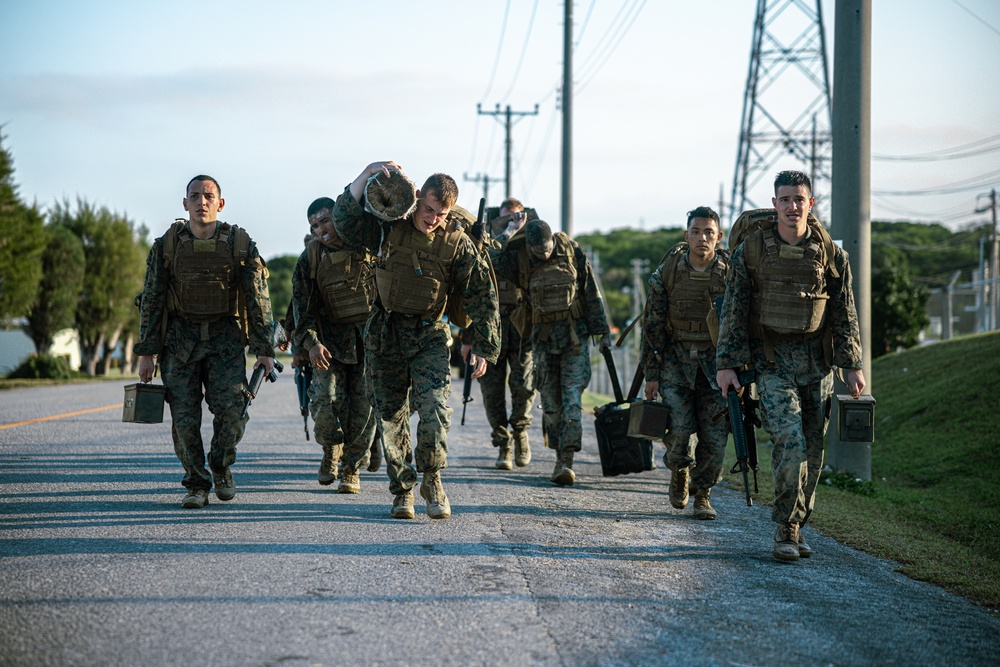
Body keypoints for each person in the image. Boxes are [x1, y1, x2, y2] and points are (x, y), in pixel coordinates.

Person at [332, 161, 500, 520]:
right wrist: (364, 173)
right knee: (390, 417)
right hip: (385, 332)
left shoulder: (456, 244)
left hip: (430, 335)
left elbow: (483, 294)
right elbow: (345, 223)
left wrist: (485, 345)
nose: (433, 218)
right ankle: (402, 491)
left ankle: (433, 479)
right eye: (428, 209)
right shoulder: (388, 228)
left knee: (436, 410)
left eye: (442, 214)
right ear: (418, 198)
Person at [716, 170, 865, 562]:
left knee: (813, 450)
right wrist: (727, 365)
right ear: (774, 204)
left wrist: (852, 364)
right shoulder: (750, 251)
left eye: (799, 199)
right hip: (772, 362)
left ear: (810, 204)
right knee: (790, 440)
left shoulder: (831, 252)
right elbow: (733, 309)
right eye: (785, 199)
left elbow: (844, 312)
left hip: (817, 364)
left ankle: (798, 521)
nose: (792, 206)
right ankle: (785, 525)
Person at [135, 175, 276, 509]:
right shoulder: (167, 245)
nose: (201, 202)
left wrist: (264, 350)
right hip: (179, 343)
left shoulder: (239, 244)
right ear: (185, 204)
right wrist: (147, 353)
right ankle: (197, 484)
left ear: (220, 203)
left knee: (233, 413)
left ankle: (221, 465)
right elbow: (152, 300)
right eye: (194, 196)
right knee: (184, 420)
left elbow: (257, 298)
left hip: (225, 341)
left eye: (208, 196)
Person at [492, 219, 611, 486]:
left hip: (574, 339)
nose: (543, 255)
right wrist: (510, 232)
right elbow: (490, 256)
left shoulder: (571, 250)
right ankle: (559, 453)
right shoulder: (520, 259)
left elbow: (591, 290)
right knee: (551, 405)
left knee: (571, 401)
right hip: (542, 342)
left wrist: (602, 332)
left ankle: (566, 460)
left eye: (546, 250)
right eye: (538, 251)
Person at [641, 206, 730, 519]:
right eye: (696, 232)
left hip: (717, 369)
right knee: (679, 432)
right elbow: (652, 327)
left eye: (709, 232)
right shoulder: (667, 273)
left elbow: (742, 327)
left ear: (719, 237)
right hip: (676, 364)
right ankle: (679, 470)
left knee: (715, 439)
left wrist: (742, 372)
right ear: (686, 235)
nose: (702, 238)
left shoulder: (732, 275)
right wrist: (651, 376)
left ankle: (703, 494)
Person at [291, 197, 378, 493]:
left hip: (370, 343)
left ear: (338, 218)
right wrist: (310, 344)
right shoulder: (310, 258)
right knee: (324, 402)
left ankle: (351, 469)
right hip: (329, 343)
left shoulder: (367, 245)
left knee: (364, 409)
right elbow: (301, 309)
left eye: (325, 220)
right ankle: (331, 449)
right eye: (314, 225)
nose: (321, 229)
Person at [463, 197, 536, 470]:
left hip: (520, 326)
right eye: (507, 218)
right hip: (488, 326)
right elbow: (470, 292)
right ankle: (503, 442)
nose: (513, 222)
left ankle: (520, 433)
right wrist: (467, 338)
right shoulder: (486, 242)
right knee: (491, 390)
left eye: (517, 217)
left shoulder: (530, 243)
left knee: (524, 387)